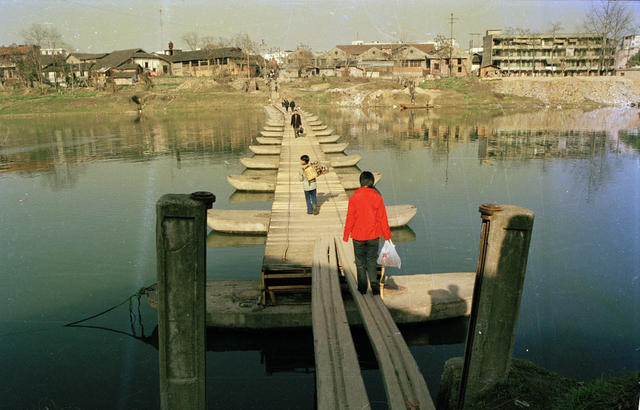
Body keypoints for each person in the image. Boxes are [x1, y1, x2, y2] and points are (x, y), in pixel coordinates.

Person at [342, 171, 391, 295]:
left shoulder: (354, 198)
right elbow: (382, 218)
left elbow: (350, 217)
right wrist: (387, 236)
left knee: (360, 262)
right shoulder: (377, 197)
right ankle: (374, 287)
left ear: (361, 182)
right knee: (371, 260)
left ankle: (362, 288)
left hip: (358, 235)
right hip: (373, 235)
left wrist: (346, 234)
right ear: (372, 182)